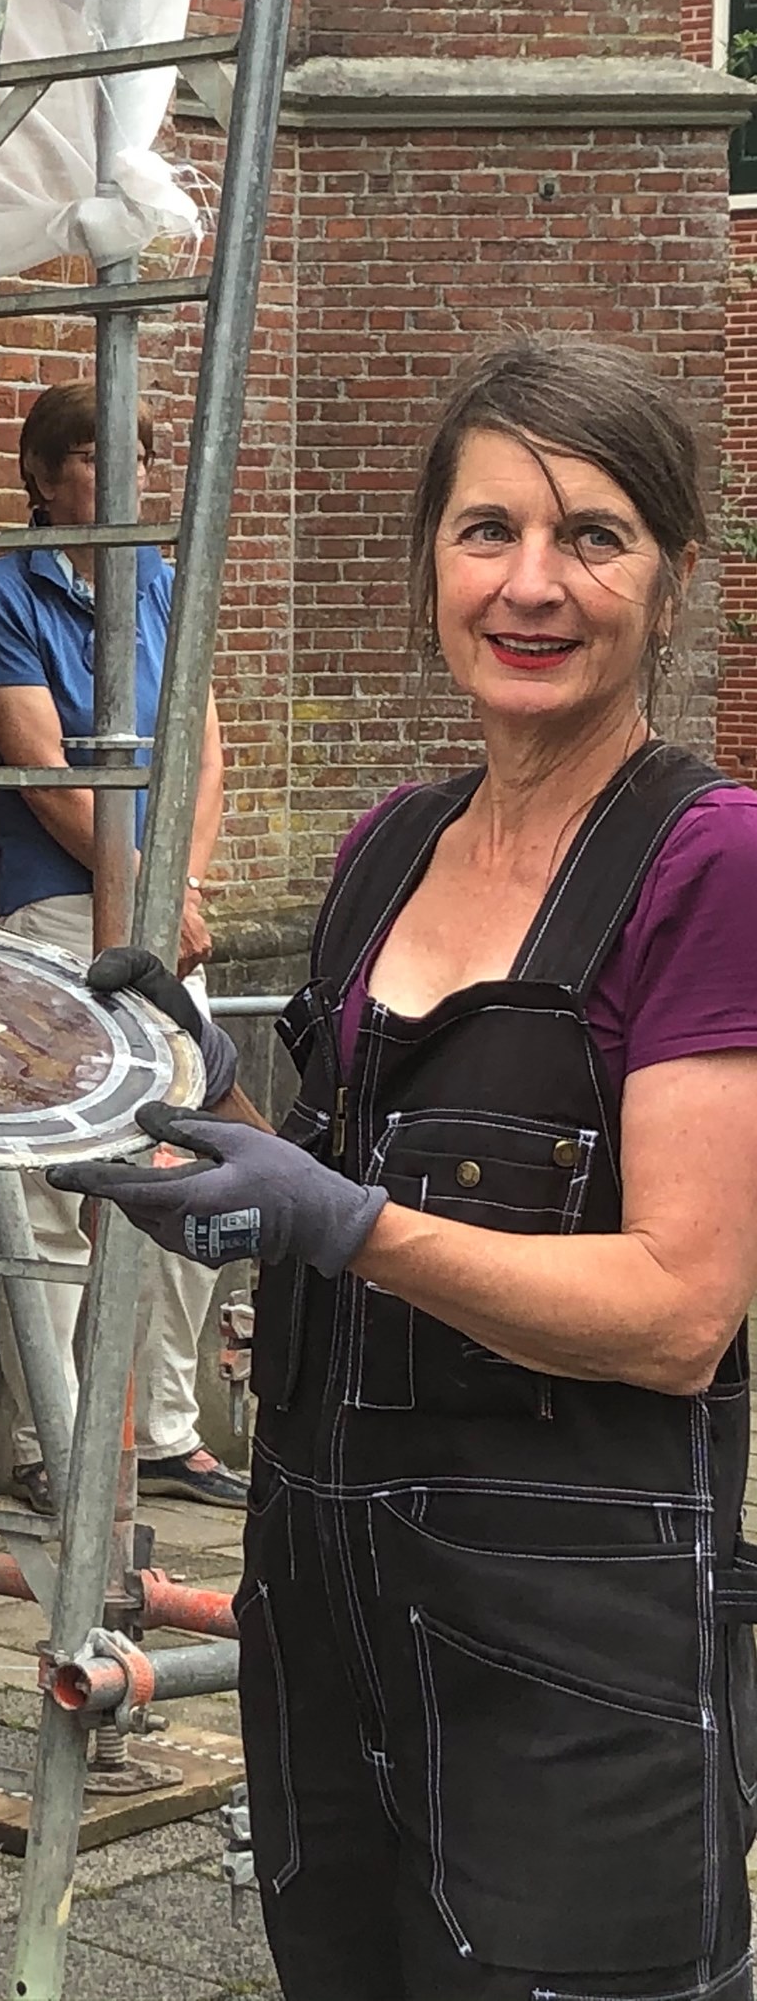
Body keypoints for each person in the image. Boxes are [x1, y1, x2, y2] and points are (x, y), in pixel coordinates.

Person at [58, 338, 757, 1999]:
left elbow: (673, 1310)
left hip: (569, 1654)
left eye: (591, 535)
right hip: (324, 1611)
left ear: (668, 581)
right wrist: (194, 1098)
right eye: (484, 530)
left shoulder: (707, 860)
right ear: (428, 564)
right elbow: (328, 1191)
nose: (530, 583)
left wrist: (347, 1222)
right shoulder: (389, 846)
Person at [0, 380, 241, 1513]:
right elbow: (44, 777)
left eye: (135, 455)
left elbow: (204, 751)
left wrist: (184, 883)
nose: (119, 478)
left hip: (169, 906)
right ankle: (51, 1441)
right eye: (90, 457)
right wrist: (142, 890)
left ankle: (163, 1428)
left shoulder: (162, 582)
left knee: (186, 1161)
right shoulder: (0, 596)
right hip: (59, 916)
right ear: (38, 475)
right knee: (54, 1181)